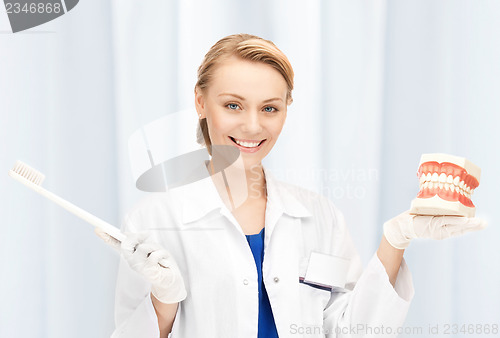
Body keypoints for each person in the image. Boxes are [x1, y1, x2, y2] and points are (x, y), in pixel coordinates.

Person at [96, 33, 486, 338]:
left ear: (286, 109)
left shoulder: (318, 216)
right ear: (201, 102)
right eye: (233, 105)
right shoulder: (154, 219)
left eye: (270, 108)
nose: (253, 126)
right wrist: (163, 302)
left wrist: (395, 239)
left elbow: (355, 332)